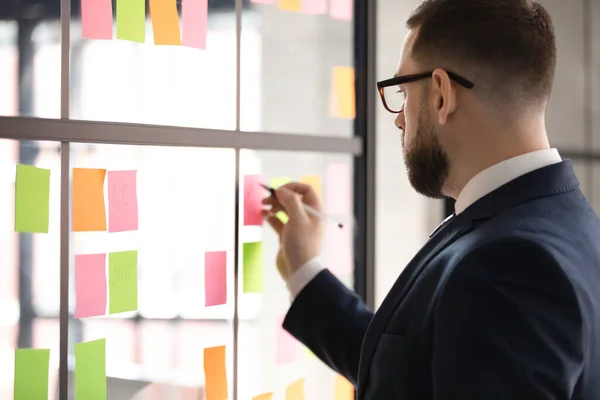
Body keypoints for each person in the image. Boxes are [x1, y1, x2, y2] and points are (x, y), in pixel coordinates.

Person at [262, 0, 600, 399]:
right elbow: (413, 371)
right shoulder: (567, 224)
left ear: (441, 93)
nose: (399, 118)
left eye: (403, 92)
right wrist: (305, 270)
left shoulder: (509, 262)